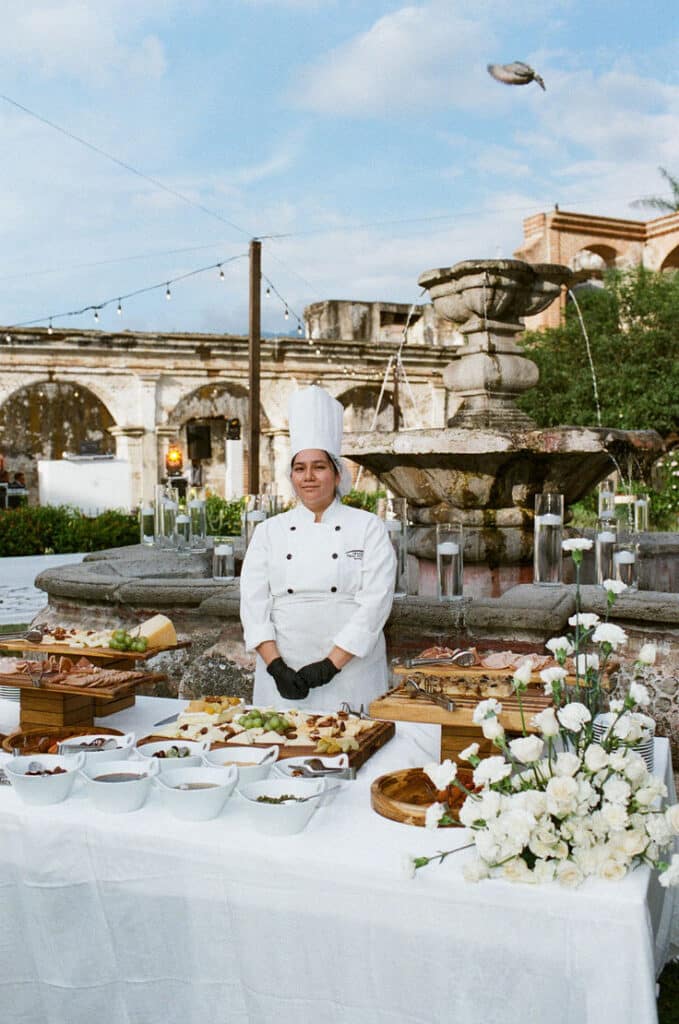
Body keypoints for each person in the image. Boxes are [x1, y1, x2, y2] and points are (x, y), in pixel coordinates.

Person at [240, 385, 396, 710]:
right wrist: (275, 667)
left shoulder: (369, 527)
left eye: (319, 467)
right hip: (282, 675)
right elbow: (253, 606)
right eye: (300, 468)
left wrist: (331, 665)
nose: (308, 477)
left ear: (337, 474)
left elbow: (375, 605)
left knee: (356, 747)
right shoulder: (269, 532)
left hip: (352, 672)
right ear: (292, 476)